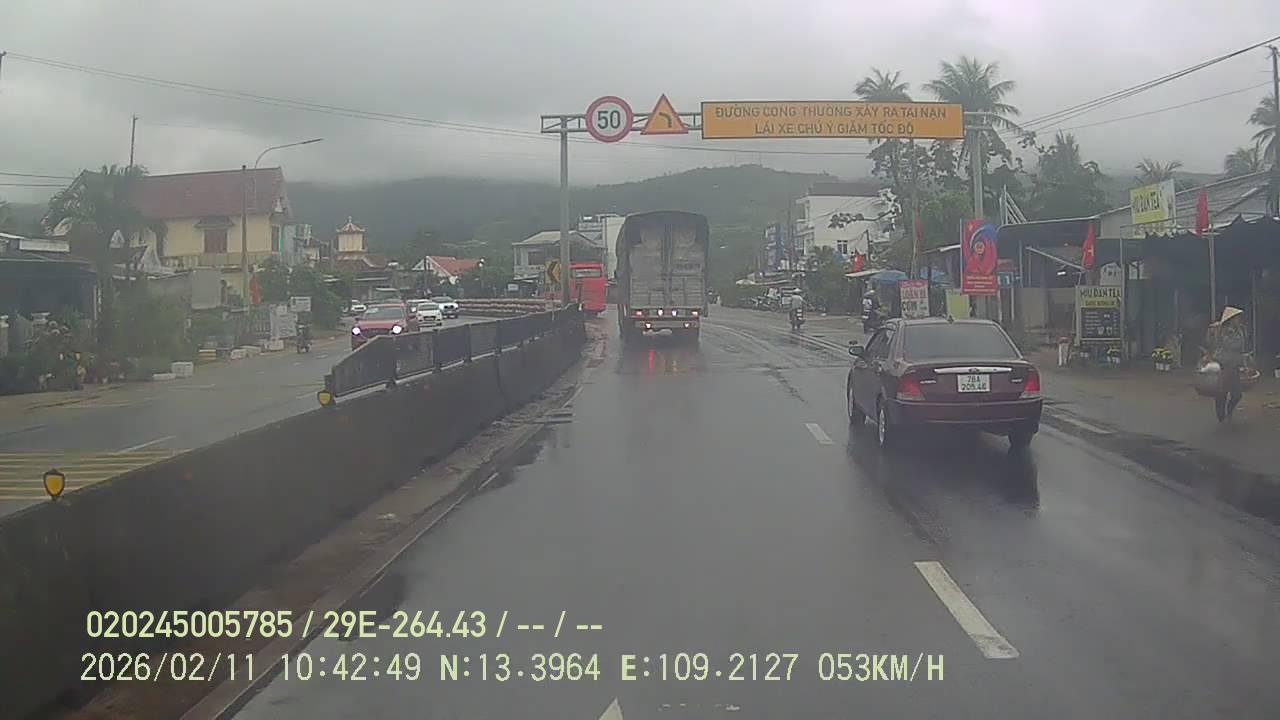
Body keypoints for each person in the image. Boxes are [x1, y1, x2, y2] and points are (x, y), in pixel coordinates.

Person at [1209, 306, 1246, 422]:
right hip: (1223, 364)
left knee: (1237, 394)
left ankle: (1229, 410)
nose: (1239, 320)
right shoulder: (1223, 330)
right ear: (1231, 319)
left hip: (1235, 365)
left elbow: (1241, 346)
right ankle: (1221, 417)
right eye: (1236, 318)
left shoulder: (1239, 330)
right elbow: (1230, 344)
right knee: (1221, 392)